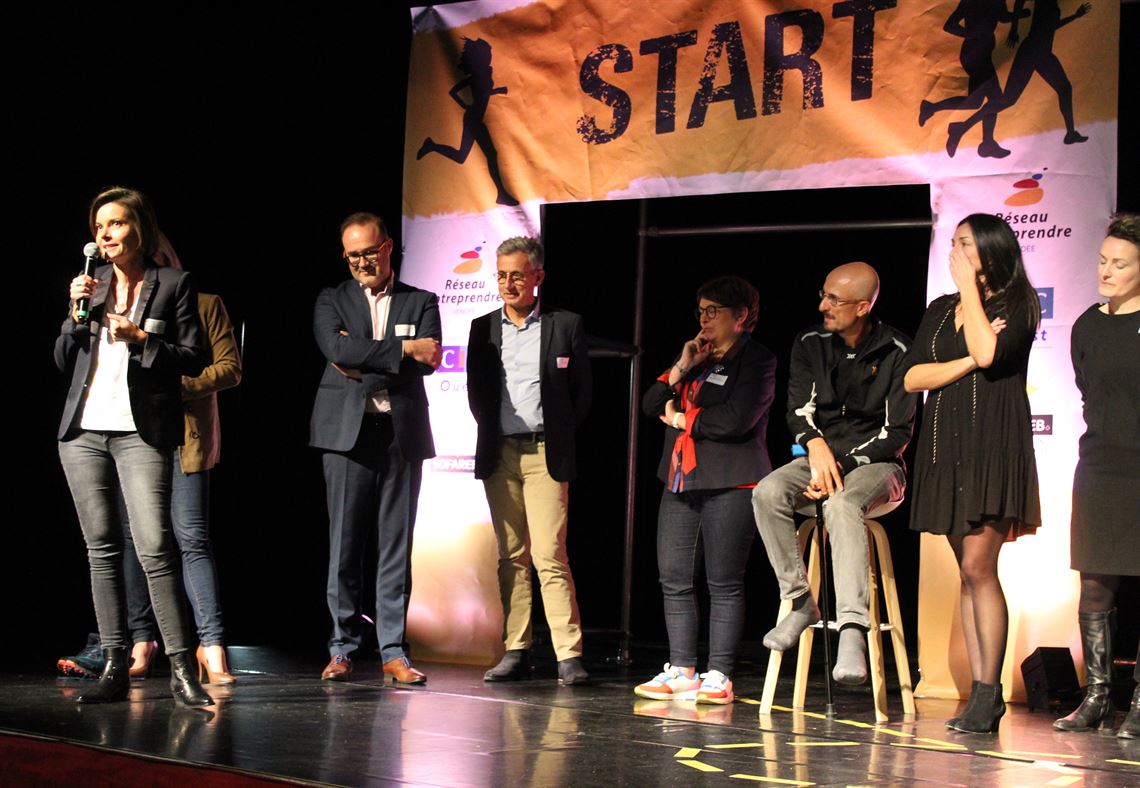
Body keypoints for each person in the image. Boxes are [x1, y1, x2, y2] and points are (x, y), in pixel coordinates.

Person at [56, 186, 212, 707]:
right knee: (101, 551)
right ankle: (114, 666)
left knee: (154, 548)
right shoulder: (91, 284)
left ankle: (182, 671)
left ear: (139, 229)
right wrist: (74, 313)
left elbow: (193, 356)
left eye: (116, 223)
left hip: (139, 432)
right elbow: (62, 358)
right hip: (83, 432)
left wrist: (143, 340)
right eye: (99, 226)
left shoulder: (173, 284)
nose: (105, 234)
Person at [56, 273, 243, 685]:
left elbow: (228, 367)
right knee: (128, 541)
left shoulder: (203, 303)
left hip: (184, 437)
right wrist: (75, 315)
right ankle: (141, 641)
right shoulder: (101, 297)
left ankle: (210, 645)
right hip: (129, 432)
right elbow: (69, 358)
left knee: (187, 538)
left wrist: (169, 387)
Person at [903, 213, 1042, 734]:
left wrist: (971, 295)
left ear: (989, 251)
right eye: (954, 242)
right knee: (966, 572)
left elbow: (989, 351)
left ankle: (988, 693)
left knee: (980, 568)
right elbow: (914, 376)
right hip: (946, 453)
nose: (955, 251)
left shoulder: (1017, 303)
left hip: (993, 450)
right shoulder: (941, 309)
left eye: (965, 243)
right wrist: (964, 364)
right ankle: (980, 695)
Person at [752, 263, 915, 687]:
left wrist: (838, 467)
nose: (823, 306)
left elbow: (896, 433)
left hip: (878, 467)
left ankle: (853, 627)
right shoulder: (810, 342)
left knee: (843, 503)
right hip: (820, 459)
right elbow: (797, 411)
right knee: (768, 491)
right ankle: (801, 601)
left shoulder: (897, 348)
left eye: (834, 300)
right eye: (823, 295)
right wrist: (815, 445)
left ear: (862, 307)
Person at [310, 212, 442, 684]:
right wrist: (403, 350)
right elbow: (337, 351)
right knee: (344, 546)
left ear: (387, 247)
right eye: (353, 256)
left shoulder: (421, 300)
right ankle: (342, 648)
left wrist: (362, 354)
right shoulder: (332, 299)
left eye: (369, 252)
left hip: (399, 434)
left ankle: (393, 652)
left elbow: (430, 360)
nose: (362, 262)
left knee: (395, 547)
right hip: (346, 435)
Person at [637, 277, 776, 704]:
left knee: (724, 581)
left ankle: (719, 674)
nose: (704, 319)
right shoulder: (697, 357)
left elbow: (735, 420)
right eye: (701, 310)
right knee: (674, 578)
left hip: (732, 481)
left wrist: (681, 419)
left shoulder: (757, 360)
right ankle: (682, 670)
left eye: (714, 311)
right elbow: (649, 404)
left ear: (741, 315)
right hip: (681, 480)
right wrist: (682, 366)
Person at [467, 237, 592, 685]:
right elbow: (477, 394)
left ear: (538, 276)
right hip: (500, 452)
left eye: (517, 275)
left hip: (545, 453)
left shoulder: (565, 324)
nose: (508, 284)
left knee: (549, 554)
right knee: (511, 555)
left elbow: (581, 393)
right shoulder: (482, 328)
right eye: (501, 275)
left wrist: (556, 434)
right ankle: (516, 649)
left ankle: (568, 654)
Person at [1054, 213, 1140, 738]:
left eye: (1120, 264)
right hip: (1101, 467)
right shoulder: (1087, 324)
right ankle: (1098, 697)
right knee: (1094, 584)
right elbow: (1089, 390)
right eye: (1103, 260)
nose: (1106, 272)